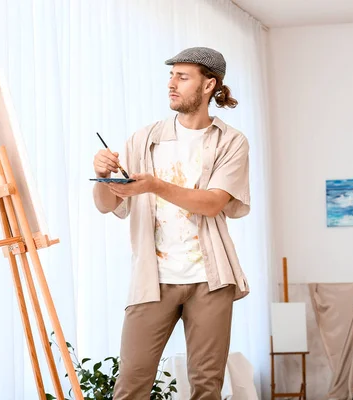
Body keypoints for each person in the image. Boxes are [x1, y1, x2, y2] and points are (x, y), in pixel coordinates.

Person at [92, 46, 251, 399]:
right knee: (131, 384)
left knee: (207, 386)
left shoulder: (230, 142)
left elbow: (213, 203)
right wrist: (102, 175)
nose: (171, 84)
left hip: (210, 280)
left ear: (209, 85)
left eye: (182, 77)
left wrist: (155, 185)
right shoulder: (145, 139)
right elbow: (108, 206)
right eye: (170, 75)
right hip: (153, 277)